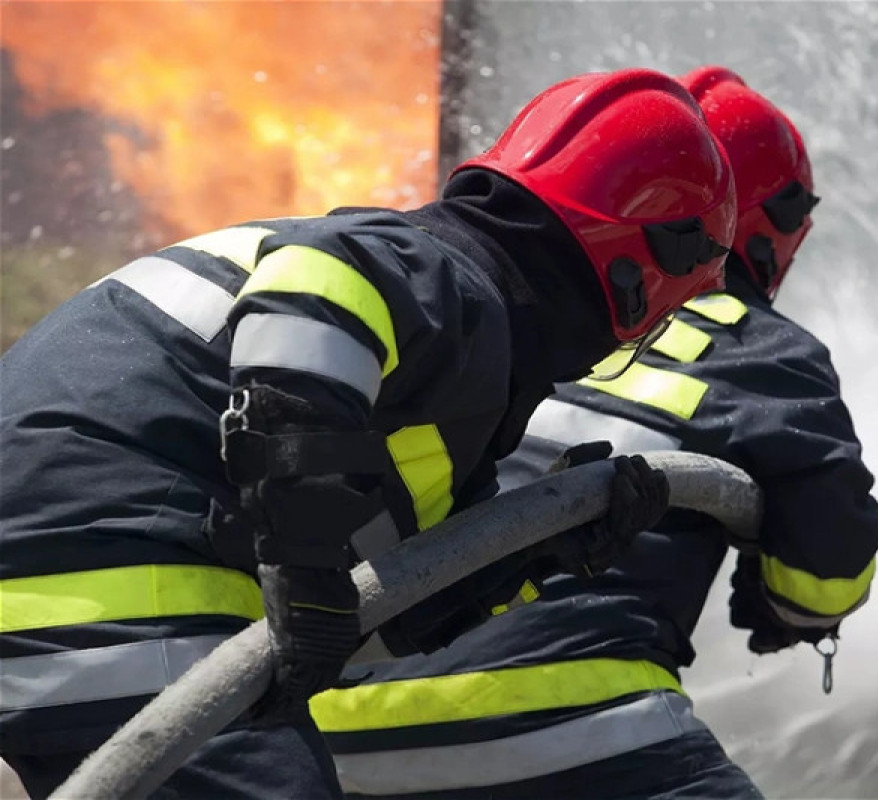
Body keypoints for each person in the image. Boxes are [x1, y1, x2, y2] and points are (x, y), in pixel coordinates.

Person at [0, 67, 738, 799]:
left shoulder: (441, 367)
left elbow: (364, 623)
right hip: (106, 571)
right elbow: (314, 297)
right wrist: (304, 560)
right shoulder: (443, 276)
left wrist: (533, 553)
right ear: (645, 269)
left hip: (65, 577)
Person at [314, 66, 878, 800]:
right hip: (557, 721)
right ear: (766, 225)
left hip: (324, 728)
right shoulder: (761, 350)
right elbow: (826, 576)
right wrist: (782, 601)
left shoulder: (495, 309)